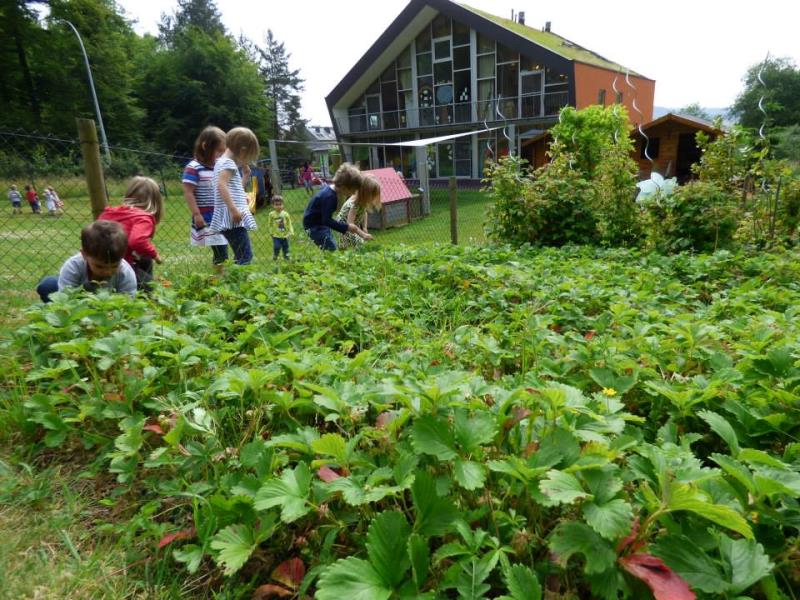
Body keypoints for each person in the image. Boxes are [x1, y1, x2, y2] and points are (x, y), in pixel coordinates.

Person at [36, 220, 137, 303]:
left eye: (115, 266)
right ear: (84, 254)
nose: (108, 272)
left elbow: (127, 303)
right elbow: (65, 298)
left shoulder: (126, 273)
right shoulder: (73, 266)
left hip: (109, 308)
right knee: (48, 285)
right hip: (78, 304)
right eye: (100, 266)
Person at [98, 176, 164, 289]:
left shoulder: (111, 212)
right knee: (152, 286)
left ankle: (140, 284)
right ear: (156, 201)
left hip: (97, 261)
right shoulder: (143, 217)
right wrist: (155, 255)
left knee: (145, 259)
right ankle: (144, 293)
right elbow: (137, 241)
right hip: (117, 266)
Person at [209, 127, 260, 265]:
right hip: (232, 216)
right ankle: (240, 284)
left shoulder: (221, 162)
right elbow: (221, 186)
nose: (246, 159)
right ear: (242, 150)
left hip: (228, 215)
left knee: (241, 254)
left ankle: (236, 281)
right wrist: (233, 209)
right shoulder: (228, 163)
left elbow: (233, 189)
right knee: (245, 256)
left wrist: (245, 176)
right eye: (247, 154)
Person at [182, 126, 229, 268]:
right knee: (221, 252)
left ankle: (220, 277)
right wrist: (196, 214)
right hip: (207, 217)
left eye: (223, 151)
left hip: (221, 217)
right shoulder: (194, 167)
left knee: (223, 250)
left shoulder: (218, 167)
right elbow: (188, 192)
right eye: (219, 151)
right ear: (205, 146)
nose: (221, 155)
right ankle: (219, 279)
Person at [302, 162, 372, 251]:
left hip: (320, 223)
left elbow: (326, 219)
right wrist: (346, 227)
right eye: (353, 190)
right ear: (344, 187)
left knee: (330, 245)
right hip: (314, 226)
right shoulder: (330, 197)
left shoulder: (330, 191)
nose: (354, 193)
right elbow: (327, 220)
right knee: (331, 249)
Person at [336, 173, 382, 249]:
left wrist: (364, 227)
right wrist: (363, 235)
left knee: (347, 247)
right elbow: (350, 224)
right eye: (372, 195)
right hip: (344, 226)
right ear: (365, 193)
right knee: (359, 244)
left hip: (352, 226)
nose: (373, 197)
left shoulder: (362, 201)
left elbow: (365, 213)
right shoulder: (355, 205)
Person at [267, 195, 294, 259]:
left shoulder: (285, 214)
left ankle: (287, 258)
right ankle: (275, 255)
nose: (278, 206)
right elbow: (270, 224)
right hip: (276, 235)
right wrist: (271, 232)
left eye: (280, 204)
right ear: (273, 205)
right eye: (276, 205)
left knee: (286, 248)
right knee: (277, 247)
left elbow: (289, 223)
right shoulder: (271, 214)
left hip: (285, 235)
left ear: (283, 205)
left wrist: (291, 231)